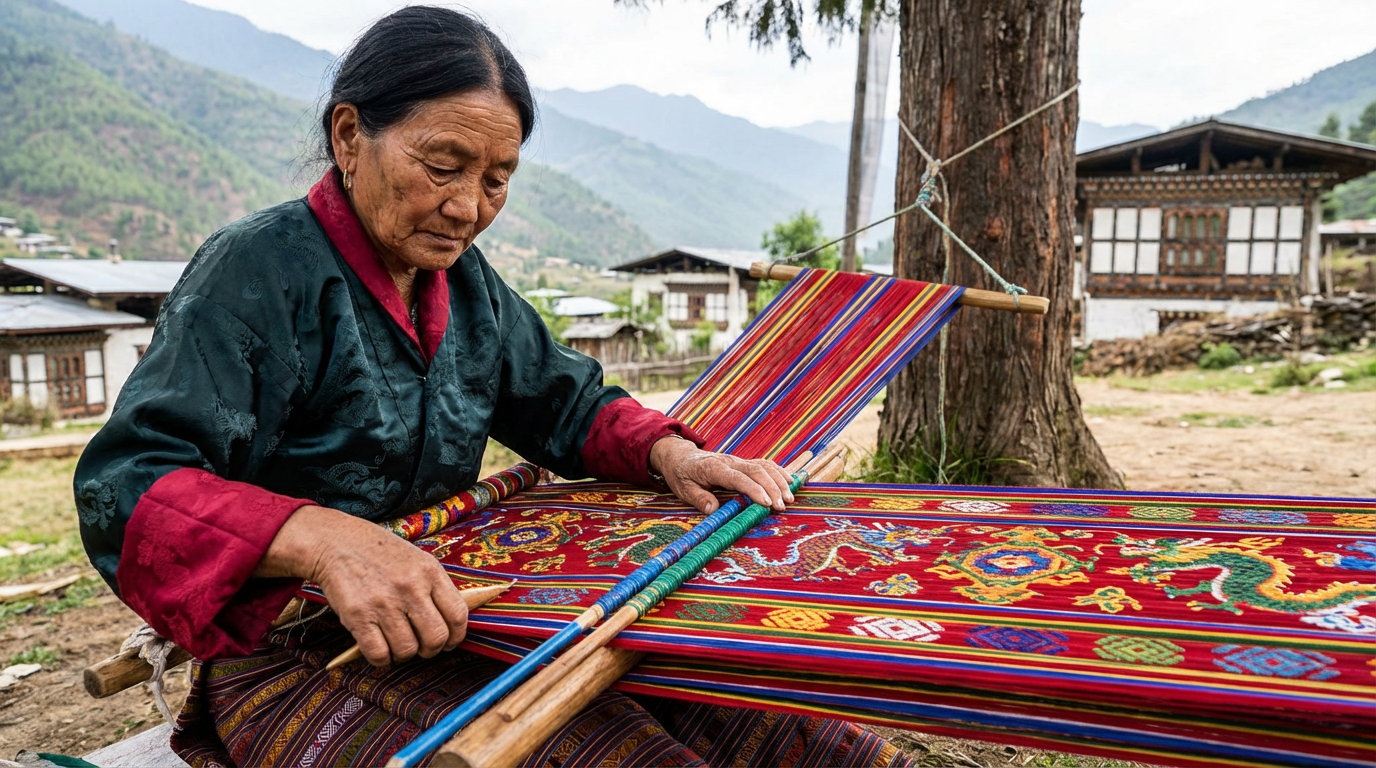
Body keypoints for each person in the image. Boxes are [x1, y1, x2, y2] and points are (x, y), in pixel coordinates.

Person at [75, 7, 914, 767]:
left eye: (496, 179)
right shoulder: (258, 272)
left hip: (463, 615)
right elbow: (129, 484)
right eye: (443, 166)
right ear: (349, 136)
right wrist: (325, 542)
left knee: (810, 745)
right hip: (294, 654)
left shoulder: (466, 288)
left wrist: (669, 454)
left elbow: (565, 400)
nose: (468, 208)